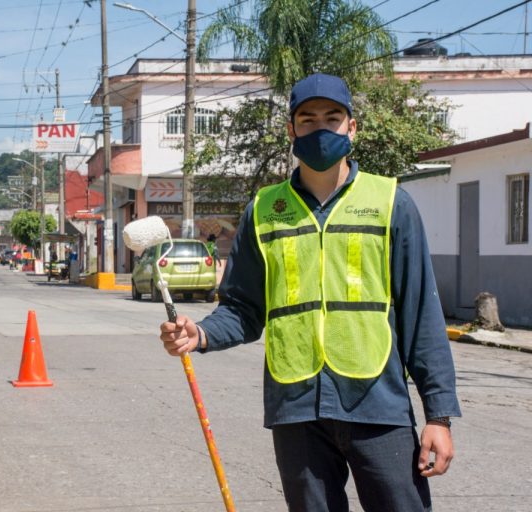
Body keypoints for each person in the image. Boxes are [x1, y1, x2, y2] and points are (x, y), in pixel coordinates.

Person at [159, 73, 460, 511]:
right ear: (291, 130)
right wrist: (200, 334)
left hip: (378, 403)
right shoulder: (263, 210)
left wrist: (439, 415)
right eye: (308, 119)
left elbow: (421, 316)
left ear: (351, 127)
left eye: (332, 118)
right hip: (296, 407)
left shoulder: (391, 202)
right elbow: (243, 308)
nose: (321, 129)